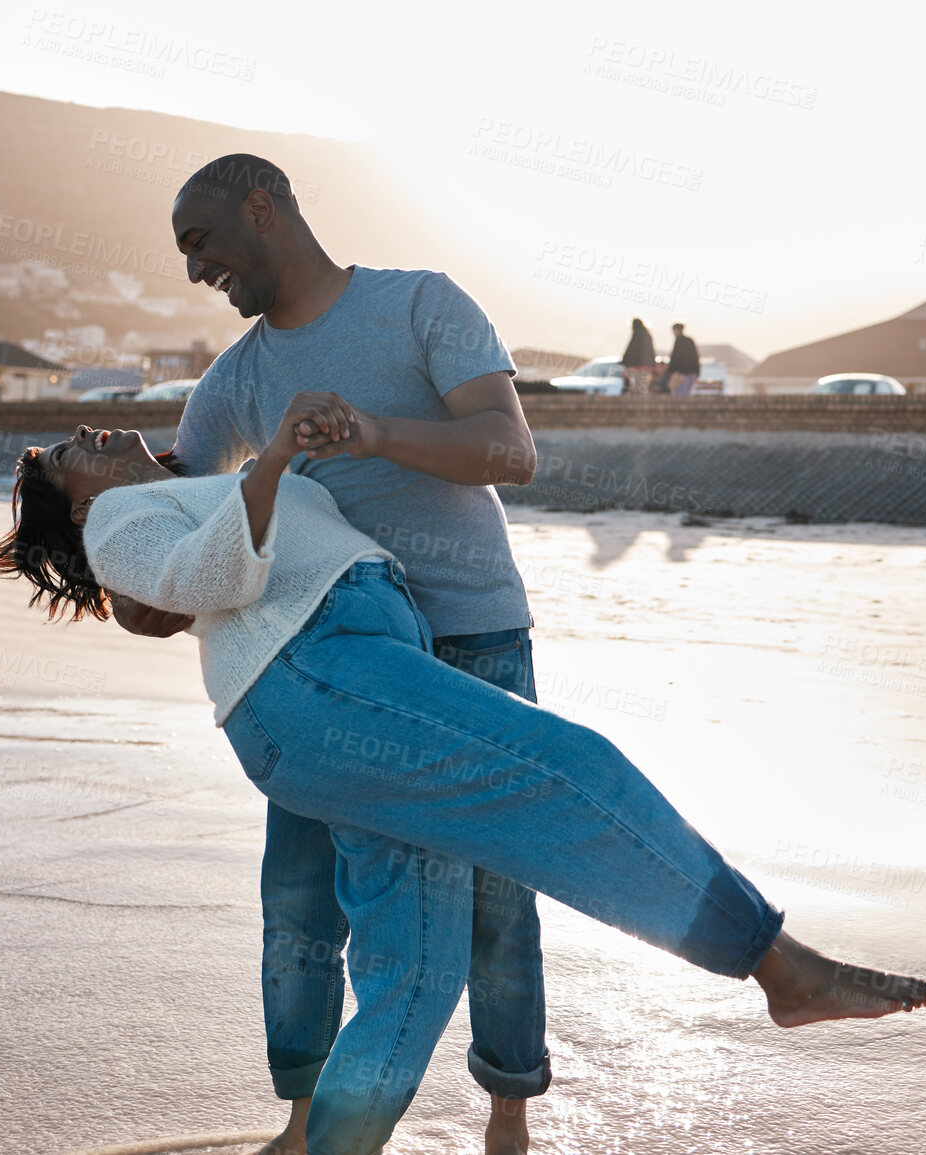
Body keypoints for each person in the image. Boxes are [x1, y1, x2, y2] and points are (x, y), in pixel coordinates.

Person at [0, 416, 926, 1155]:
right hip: (318, 676)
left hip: (334, 699)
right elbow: (208, 578)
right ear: (78, 504)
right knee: (570, 770)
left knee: (413, 976)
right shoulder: (124, 519)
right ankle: (775, 964)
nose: (76, 436)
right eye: (58, 455)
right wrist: (273, 462)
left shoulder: (187, 484)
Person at [110, 153, 550, 1155]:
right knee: (302, 898)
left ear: (261, 212)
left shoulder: (421, 305)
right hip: (324, 661)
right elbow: (182, 550)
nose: (193, 270)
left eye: (201, 243)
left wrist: (371, 432)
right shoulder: (232, 385)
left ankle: (507, 1120)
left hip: (471, 639)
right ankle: (309, 1124)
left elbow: (511, 451)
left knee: (496, 891)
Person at [621, 319, 656, 396]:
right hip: (647, 364)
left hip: (638, 364)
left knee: (637, 385)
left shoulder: (637, 333)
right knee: (642, 385)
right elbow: (651, 351)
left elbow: (632, 349)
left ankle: (639, 401)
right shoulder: (647, 334)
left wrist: (626, 362)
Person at [666, 323, 700, 396]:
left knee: (680, 394)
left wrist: (671, 370)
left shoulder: (679, 341)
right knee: (687, 393)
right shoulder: (690, 340)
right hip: (692, 371)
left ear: (676, 330)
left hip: (682, 373)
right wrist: (697, 371)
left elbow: (676, 358)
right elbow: (695, 356)